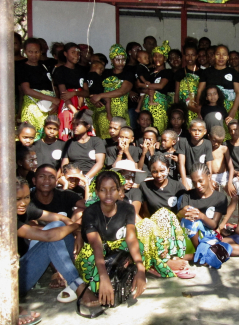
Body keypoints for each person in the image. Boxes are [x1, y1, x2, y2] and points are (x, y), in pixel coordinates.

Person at [16, 177, 98, 311]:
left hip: (20, 268)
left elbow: (59, 218)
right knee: (52, 239)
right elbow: (47, 236)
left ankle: (67, 274)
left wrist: (76, 232)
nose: (23, 203)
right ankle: (78, 285)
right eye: (17, 199)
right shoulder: (5, 218)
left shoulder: (25, 208)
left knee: (58, 225)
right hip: (9, 282)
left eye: (26, 197)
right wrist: (76, 226)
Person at [75, 171, 147, 303]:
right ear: (96, 192)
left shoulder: (128, 208)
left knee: (140, 246)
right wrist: (103, 277)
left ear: (120, 190)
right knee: (89, 264)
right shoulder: (90, 212)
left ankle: (131, 268)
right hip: (96, 250)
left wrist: (141, 268)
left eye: (113, 189)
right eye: (103, 190)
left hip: (117, 246)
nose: (108, 194)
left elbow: (130, 238)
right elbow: (96, 246)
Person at [17, 38, 59, 139]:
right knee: (33, 136)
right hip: (32, 106)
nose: (33, 55)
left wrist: (55, 101)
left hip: (50, 107)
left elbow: (54, 87)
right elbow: (26, 90)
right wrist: (52, 99)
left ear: (41, 52)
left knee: (49, 137)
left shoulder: (45, 67)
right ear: (25, 52)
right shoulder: (22, 68)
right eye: (30, 52)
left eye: (36, 52)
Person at [89, 44, 134, 139]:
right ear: (112, 60)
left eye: (123, 59)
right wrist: (95, 99)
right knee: (103, 136)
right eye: (117, 59)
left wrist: (100, 95)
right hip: (103, 111)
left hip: (120, 111)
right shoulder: (105, 73)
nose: (121, 62)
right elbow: (93, 86)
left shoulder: (128, 74)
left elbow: (122, 91)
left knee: (120, 136)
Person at [54, 42, 90, 141]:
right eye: (73, 52)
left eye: (78, 53)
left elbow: (86, 92)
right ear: (65, 54)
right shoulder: (60, 70)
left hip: (82, 105)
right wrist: (74, 111)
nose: (76, 55)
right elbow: (64, 94)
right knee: (69, 131)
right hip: (68, 105)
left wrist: (74, 93)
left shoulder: (82, 70)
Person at [197, 45, 239, 123]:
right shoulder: (207, 72)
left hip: (229, 109)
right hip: (211, 108)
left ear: (228, 57)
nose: (221, 57)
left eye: (224, 55)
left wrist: (234, 110)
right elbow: (200, 91)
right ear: (214, 56)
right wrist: (199, 108)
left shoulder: (233, 72)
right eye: (218, 54)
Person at [138, 41, 175, 134]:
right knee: (145, 131)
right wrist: (145, 88)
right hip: (146, 104)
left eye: (160, 56)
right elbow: (138, 85)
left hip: (159, 105)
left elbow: (160, 85)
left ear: (165, 58)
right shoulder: (149, 72)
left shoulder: (167, 72)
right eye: (155, 56)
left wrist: (144, 85)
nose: (157, 58)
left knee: (158, 130)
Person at [61, 110, 106, 183]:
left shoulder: (96, 141)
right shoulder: (69, 143)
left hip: (92, 178)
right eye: (73, 124)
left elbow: (100, 163)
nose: (75, 127)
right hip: (73, 178)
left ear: (87, 126)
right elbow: (65, 165)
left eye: (78, 124)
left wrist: (85, 178)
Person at [177, 119, 213, 190]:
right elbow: (181, 164)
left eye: (200, 130)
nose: (197, 133)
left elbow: (209, 164)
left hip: (202, 176)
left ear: (205, 132)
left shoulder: (207, 143)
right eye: (194, 130)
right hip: (187, 176)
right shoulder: (183, 142)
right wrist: (184, 181)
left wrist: (209, 180)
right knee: (184, 191)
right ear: (189, 130)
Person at [175, 44, 203, 124]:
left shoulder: (203, 73)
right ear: (184, 56)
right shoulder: (180, 72)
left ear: (197, 56)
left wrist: (199, 109)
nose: (190, 58)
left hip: (197, 108)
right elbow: (177, 94)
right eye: (187, 55)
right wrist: (177, 109)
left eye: (193, 55)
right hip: (183, 109)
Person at [208, 125, 235, 194]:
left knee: (232, 194)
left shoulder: (224, 149)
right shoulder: (207, 149)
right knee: (213, 193)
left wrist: (230, 182)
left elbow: (231, 167)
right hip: (212, 176)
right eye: (214, 141)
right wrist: (210, 179)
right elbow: (208, 166)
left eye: (219, 142)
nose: (216, 144)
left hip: (224, 176)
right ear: (209, 137)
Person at [134, 50, 152, 114]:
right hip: (142, 84)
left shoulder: (143, 66)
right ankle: (138, 108)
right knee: (143, 95)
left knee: (142, 96)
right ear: (139, 59)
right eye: (145, 58)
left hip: (143, 84)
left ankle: (138, 107)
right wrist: (145, 82)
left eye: (148, 58)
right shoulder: (140, 67)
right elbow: (140, 75)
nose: (147, 59)